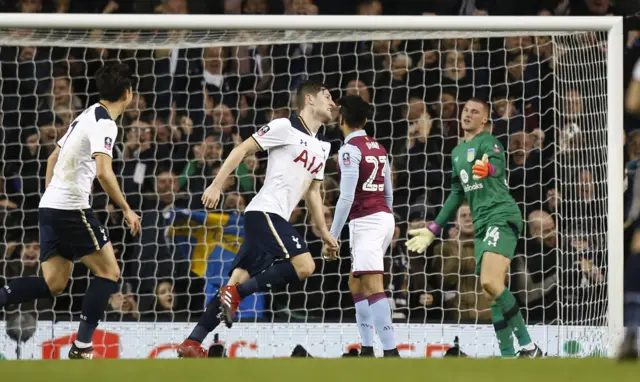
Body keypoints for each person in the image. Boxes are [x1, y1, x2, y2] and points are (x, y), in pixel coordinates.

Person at [178, 80, 339, 358]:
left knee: (233, 283)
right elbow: (241, 150)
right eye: (327, 96)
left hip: (271, 218)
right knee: (305, 265)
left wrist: (324, 232)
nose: (333, 102)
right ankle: (238, 295)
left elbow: (313, 191)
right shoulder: (283, 127)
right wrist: (216, 185)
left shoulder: (322, 147)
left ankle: (193, 342)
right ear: (309, 100)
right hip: (264, 212)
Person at [0, 63, 141, 359]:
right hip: (71, 208)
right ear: (128, 94)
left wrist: (53, 191)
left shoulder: (86, 114)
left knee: (54, 283)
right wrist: (126, 209)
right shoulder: (105, 123)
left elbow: (53, 156)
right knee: (110, 273)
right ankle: (82, 346)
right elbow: (104, 172)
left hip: (51, 207)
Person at [406, 98, 542, 358]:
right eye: (466, 110)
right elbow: (456, 194)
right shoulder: (457, 153)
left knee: (490, 281)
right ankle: (507, 355)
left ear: (485, 121)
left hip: (500, 216)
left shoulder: (488, 141)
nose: (468, 114)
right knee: (492, 293)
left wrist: (487, 168)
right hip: (483, 225)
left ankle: (528, 346)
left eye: (475, 112)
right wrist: (433, 228)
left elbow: (498, 165)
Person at [327, 95, 398, 357]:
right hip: (382, 217)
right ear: (366, 120)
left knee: (372, 285)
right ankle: (367, 349)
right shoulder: (378, 147)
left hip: (366, 220)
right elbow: (388, 192)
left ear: (341, 118)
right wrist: (387, 218)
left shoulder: (349, 150)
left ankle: (391, 353)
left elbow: (346, 197)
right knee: (355, 284)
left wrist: (332, 236)